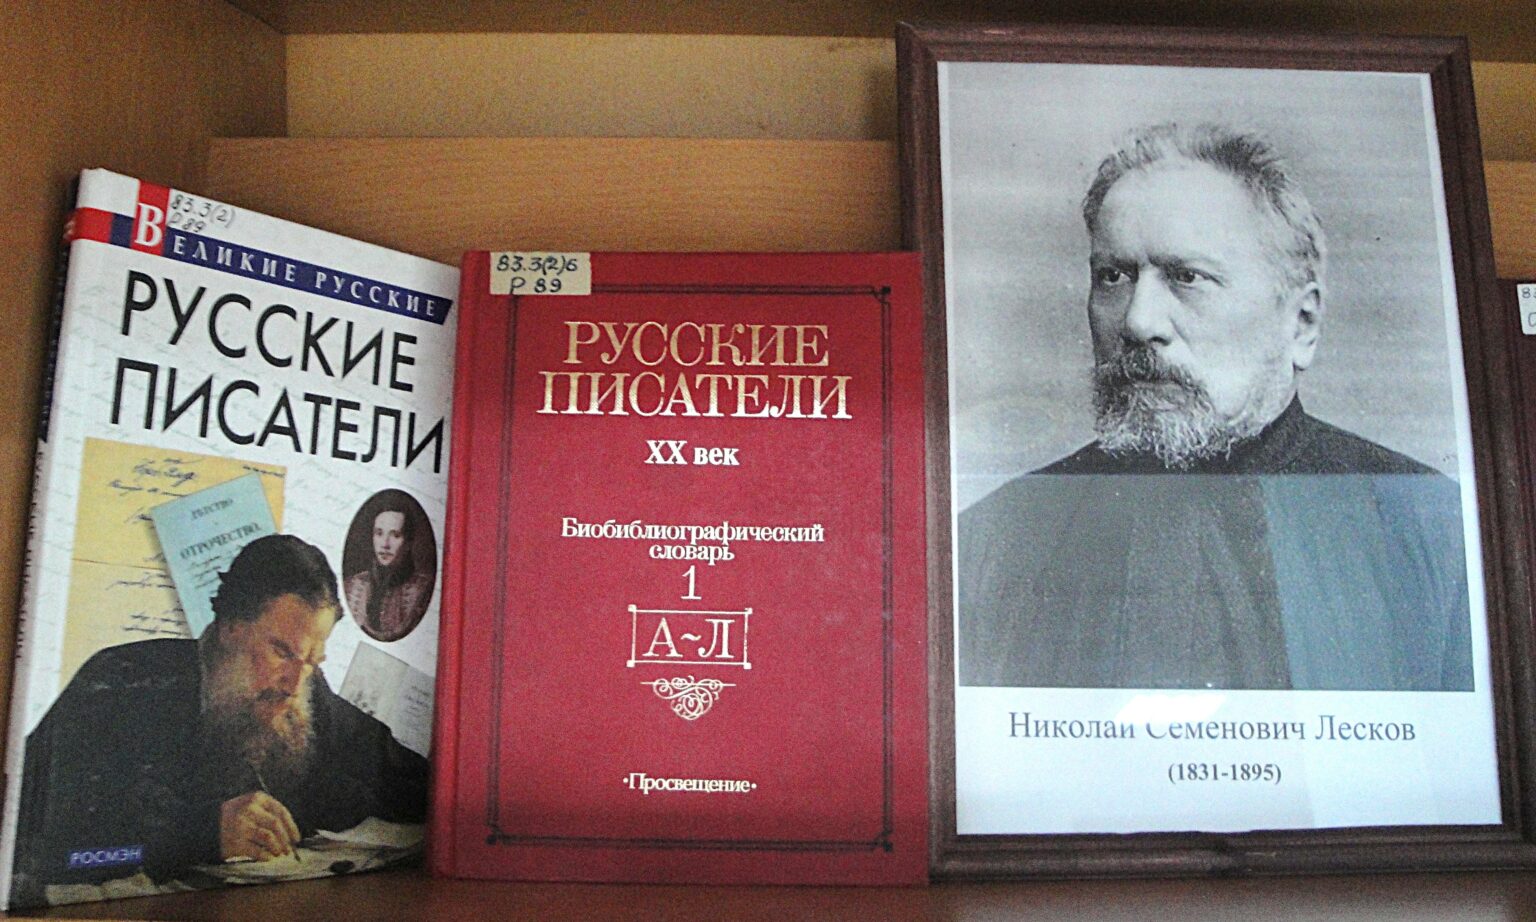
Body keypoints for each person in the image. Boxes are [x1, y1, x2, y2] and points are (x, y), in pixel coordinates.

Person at [957, 122, 1473, 691]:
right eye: (1113, 276)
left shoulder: (1429, 528)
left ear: (1301, 323)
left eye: (1188, 277)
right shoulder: (994, 539)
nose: (1138, 322)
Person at [8, 535, 429, 905]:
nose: (294, 683)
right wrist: (203, 833)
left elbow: (404, 777)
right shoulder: (118, 681)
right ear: (230, 628)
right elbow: (32, 837)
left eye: (313, 660)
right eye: (281, 652)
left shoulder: (306, 689)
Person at [344, 493, 433, 641]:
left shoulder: (422, 591)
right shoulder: (353, 585)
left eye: (395, 535)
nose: (385, 544)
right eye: (379, 533)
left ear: (408, 543)